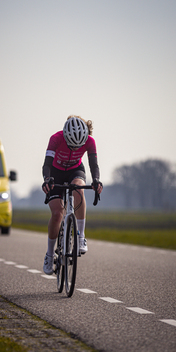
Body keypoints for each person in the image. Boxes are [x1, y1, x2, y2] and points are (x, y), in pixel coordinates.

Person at [42, 115, 103, 275]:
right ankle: (49, 254)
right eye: (71, 145)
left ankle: (81, 236)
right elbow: (47, 164)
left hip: (75, 170)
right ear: (65, 136)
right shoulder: (55, 139)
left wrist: (96, 180)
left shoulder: (90, 141)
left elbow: (93, 164)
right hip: (55, 172)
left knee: (79, 189)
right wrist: (47, 179)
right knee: (57, 214)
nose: (75, 149)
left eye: (78, 146)